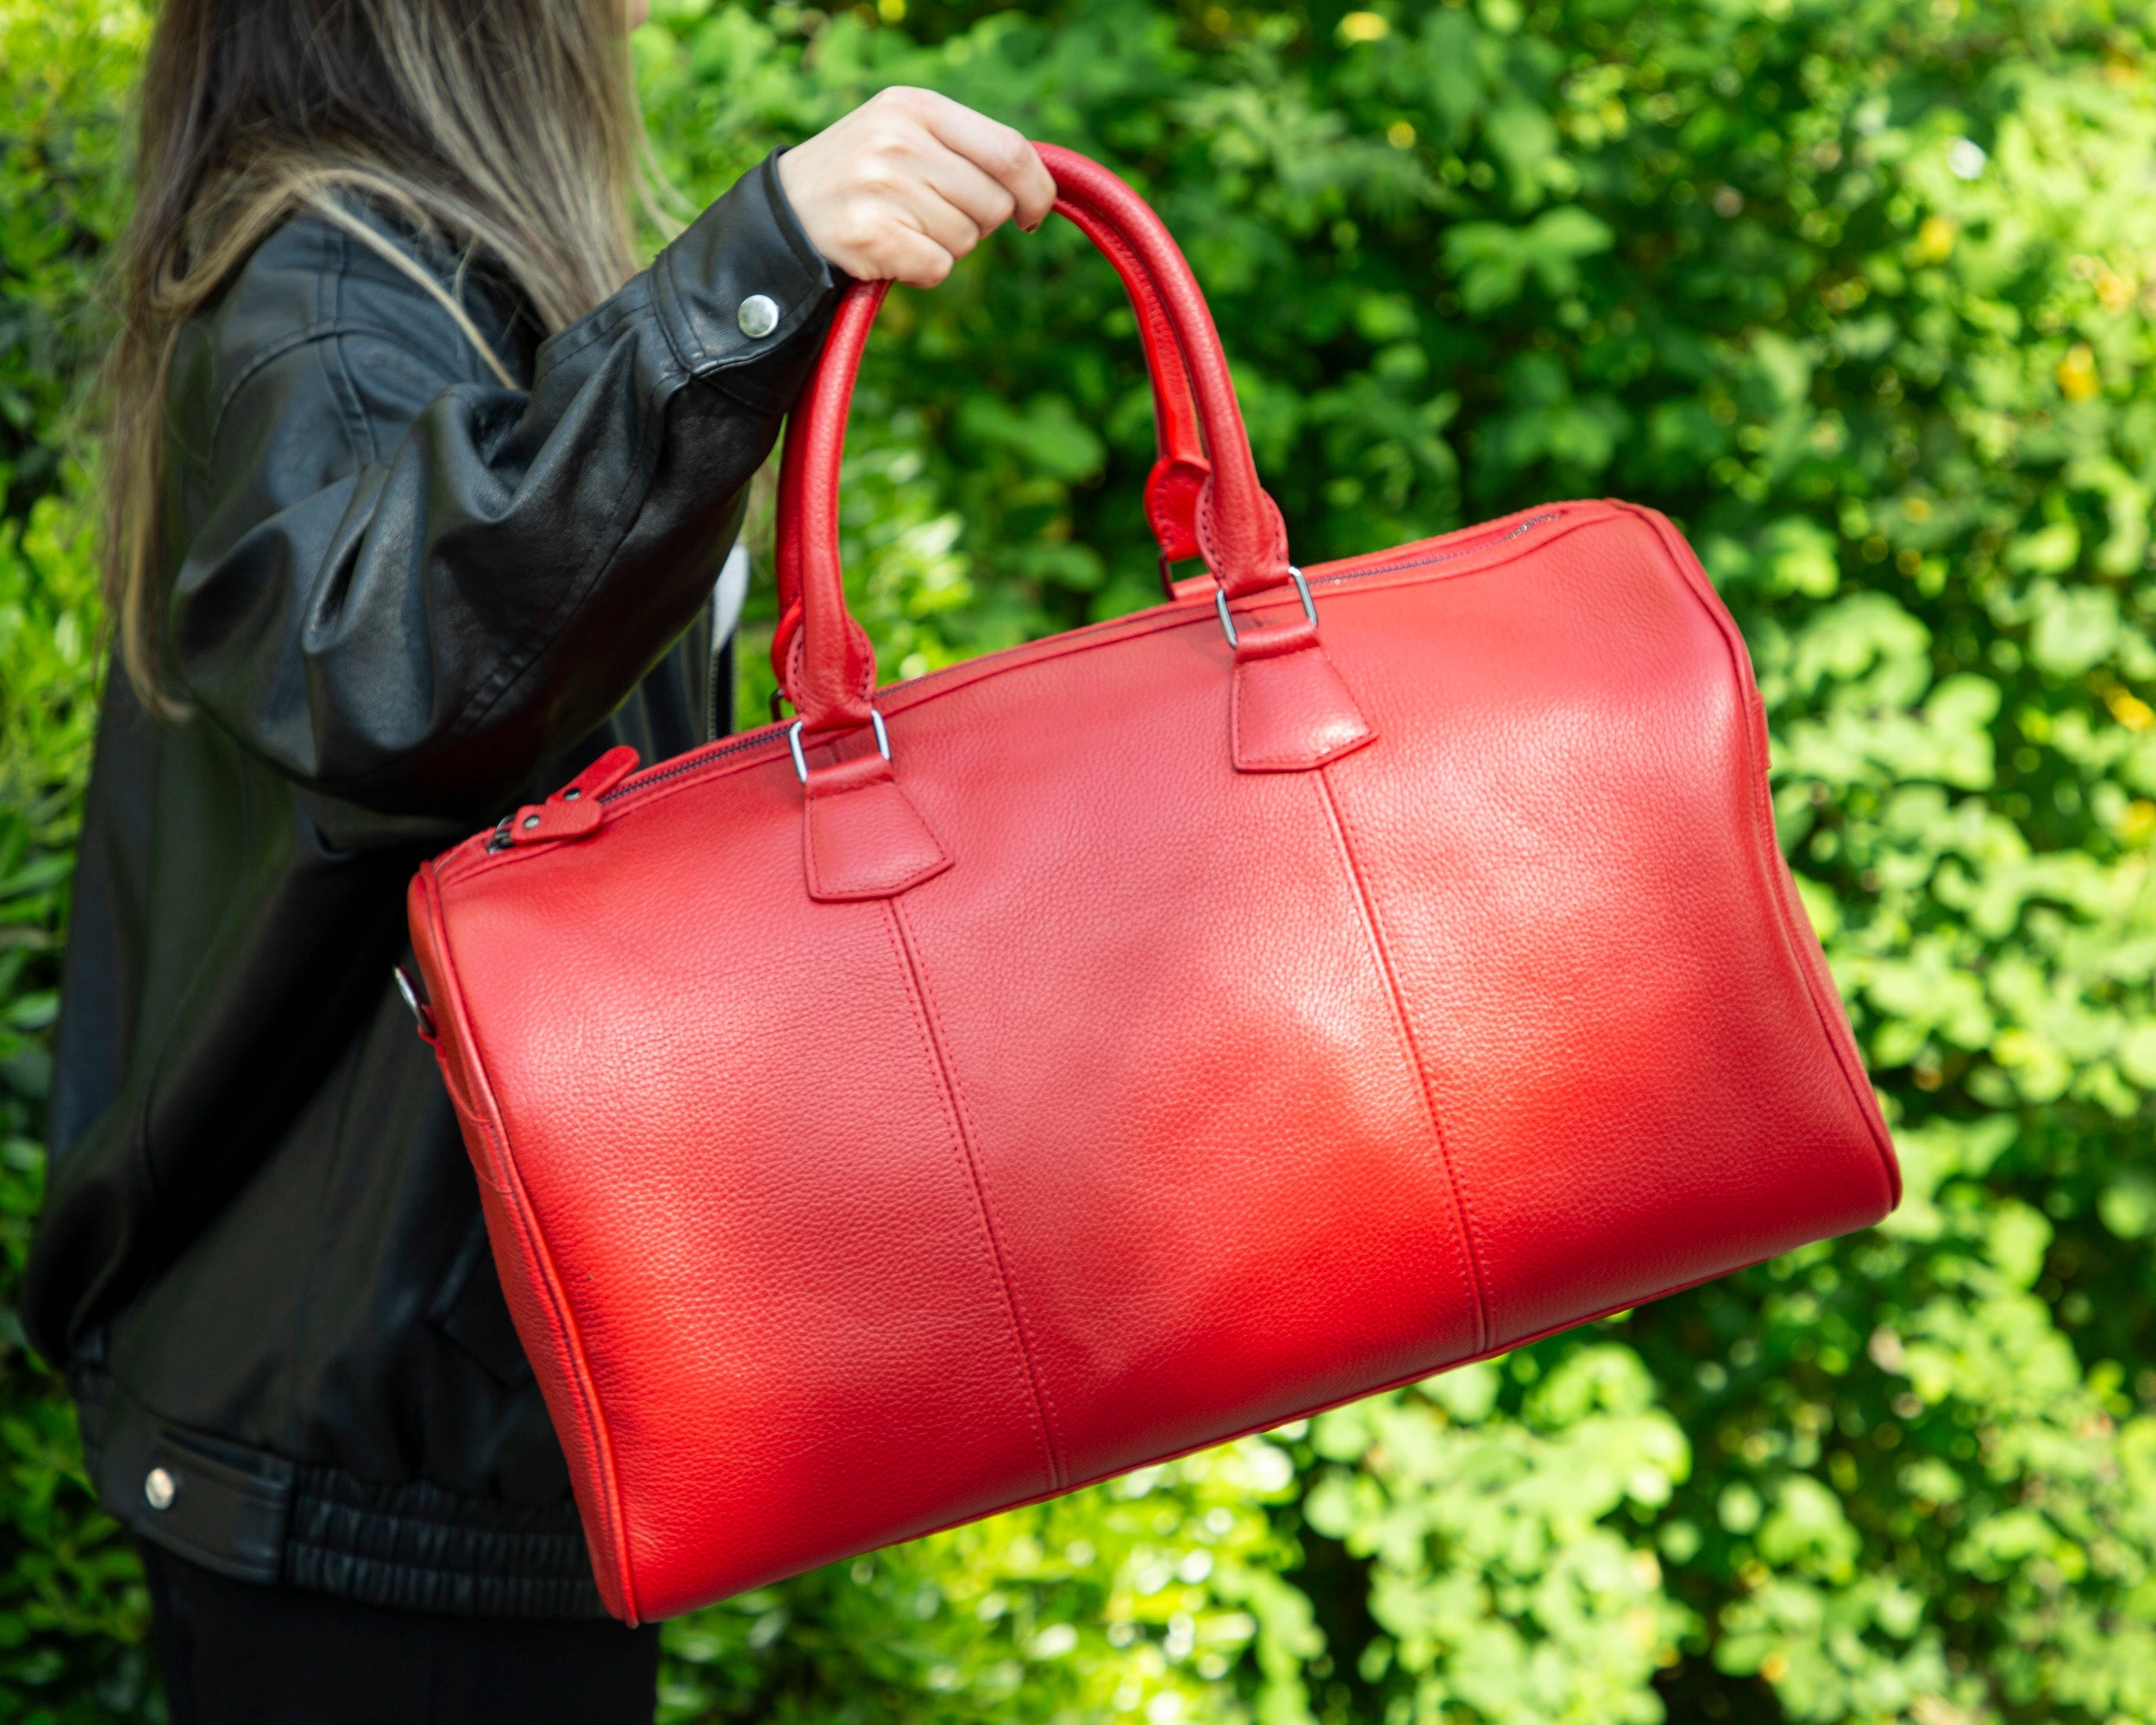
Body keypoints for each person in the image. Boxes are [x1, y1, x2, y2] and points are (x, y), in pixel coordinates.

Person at [20, 1, 1054, 1719]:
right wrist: (762, 263)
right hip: (378, 1479)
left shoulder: (421, 289)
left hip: (423, 1447)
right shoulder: (334, 294)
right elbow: (398, 656)